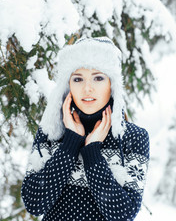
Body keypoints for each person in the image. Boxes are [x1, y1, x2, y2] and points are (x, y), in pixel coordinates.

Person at [21, 37, 150, 221]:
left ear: (112, 84)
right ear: (68, 85)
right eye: (78, 78)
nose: (87, 88)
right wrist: (70, 144)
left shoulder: (133, 137)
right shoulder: (52, 130)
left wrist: (92, 153)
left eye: (98, 78)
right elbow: (34, 203)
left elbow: (123, 214)